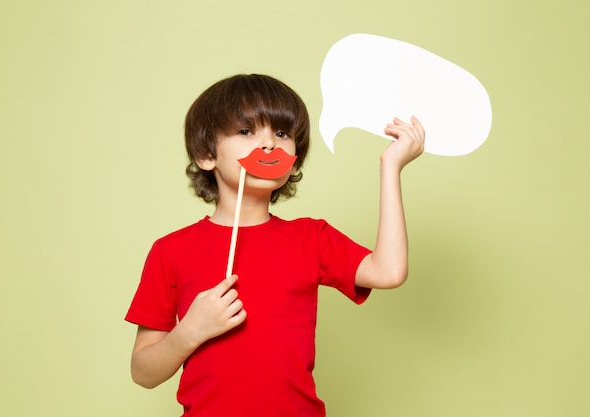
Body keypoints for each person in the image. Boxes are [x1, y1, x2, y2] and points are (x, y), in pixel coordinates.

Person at [125, 74, 425, 417]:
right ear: (206, 154)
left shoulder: (311, 239)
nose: (269, 144)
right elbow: (143, 372)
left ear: (294, 159)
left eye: (282, 133)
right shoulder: (171, 251)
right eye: (246, 131)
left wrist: (391, 167)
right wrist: (191, 331)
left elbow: (389, 271)